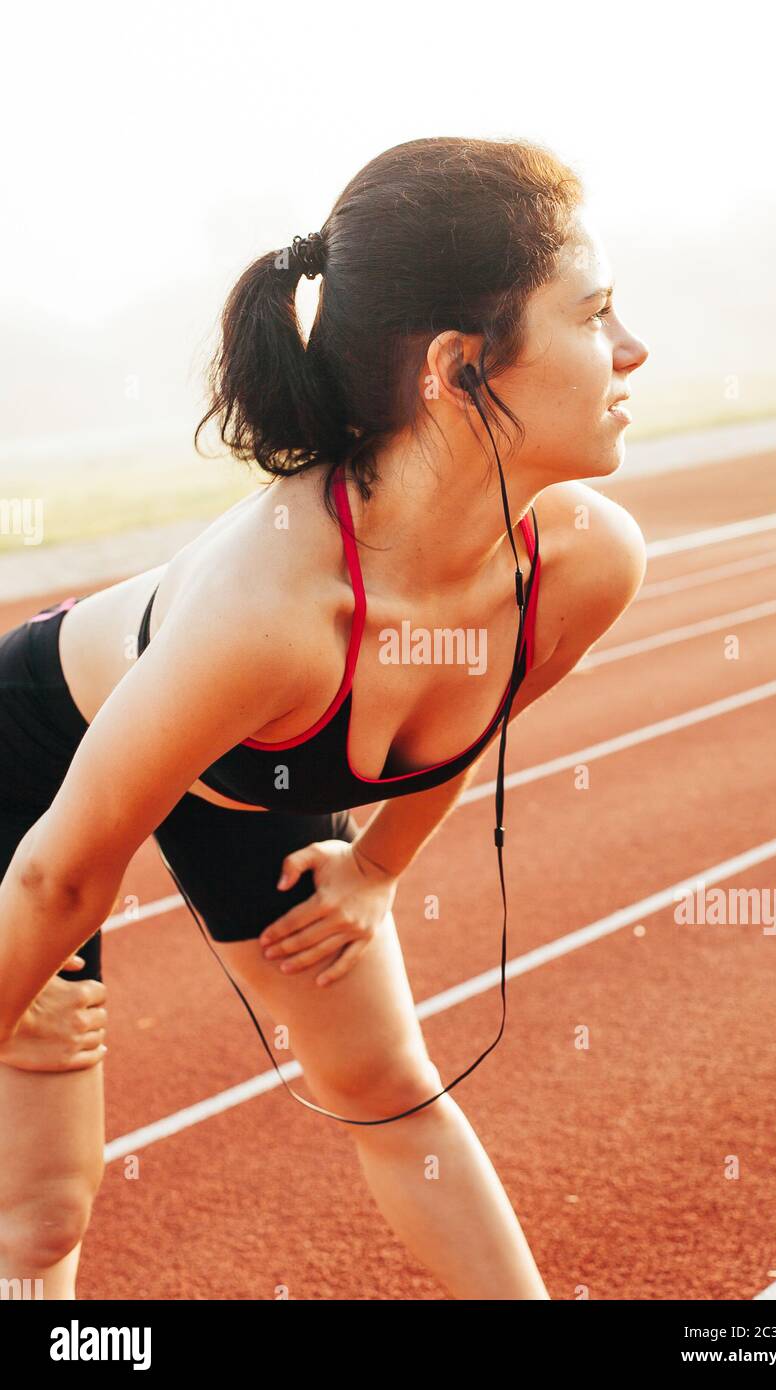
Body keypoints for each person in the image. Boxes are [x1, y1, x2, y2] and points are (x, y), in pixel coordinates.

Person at [0, 135, 648, 1300]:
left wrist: (381, 870)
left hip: (258, 777)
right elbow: (57, 876)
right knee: (39, 1209)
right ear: (459, 367)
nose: (632, 349)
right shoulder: (275, 609)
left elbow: (475, 711)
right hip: (34, 758)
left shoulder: (587, 562)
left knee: (389, 1088)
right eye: (594, 313)